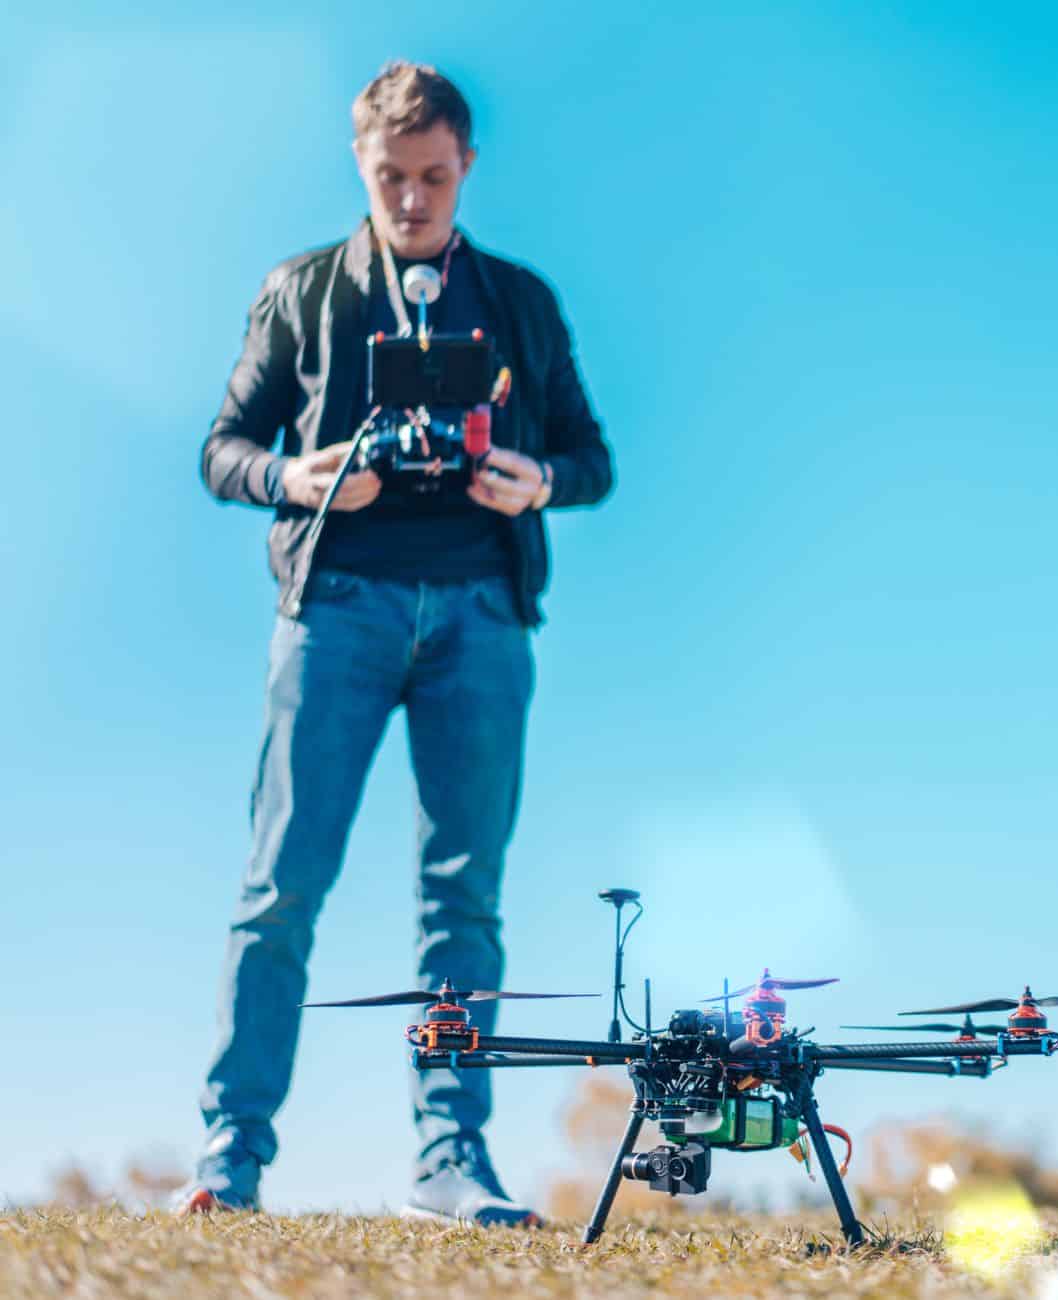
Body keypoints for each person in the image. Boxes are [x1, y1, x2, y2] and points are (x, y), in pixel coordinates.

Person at [178, 60, 614, 1224]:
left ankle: (449, 1162)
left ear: (465, 164)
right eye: (391, 179)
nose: (413, 200)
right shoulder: (302, 290)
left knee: (462, 907)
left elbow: (590, 456)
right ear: (360, 168)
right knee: (281, 889)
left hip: (481, 619)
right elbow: (224, 447)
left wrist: (539, 482)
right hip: (336, 615)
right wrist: (295, 474)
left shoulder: (521, 300)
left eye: (432, 177)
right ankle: (230, 1162)